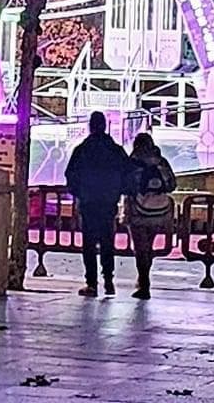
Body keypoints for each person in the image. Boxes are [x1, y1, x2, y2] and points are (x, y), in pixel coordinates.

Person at [64, 111, 133, 296]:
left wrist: (79, 193)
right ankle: (109, 280)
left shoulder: (82, 150)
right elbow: (127, 173)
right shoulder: (115, 150)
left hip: (88, 202)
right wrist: (117, 191)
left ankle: (92, 283)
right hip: (108, 202)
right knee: (107, 241)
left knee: (89, 243)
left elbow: (71, 174)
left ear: (90, 126)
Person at [125, 130, 178, 299]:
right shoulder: (161, 161)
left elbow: (126, 185)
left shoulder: (133, 162)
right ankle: (144, 278)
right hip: (159, 211)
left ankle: (144, 283)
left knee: (141, 248)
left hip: (138, 212)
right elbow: (172, 185)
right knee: (149, 246)